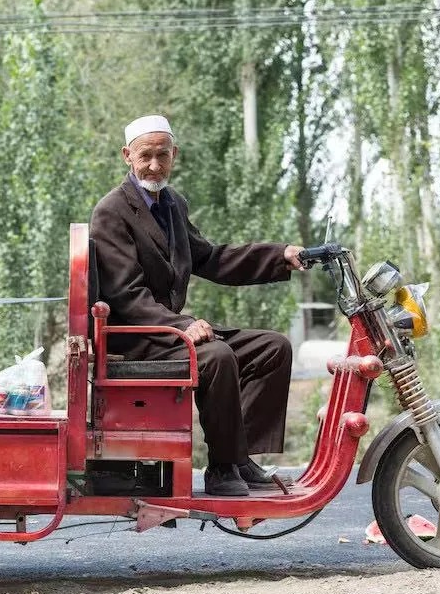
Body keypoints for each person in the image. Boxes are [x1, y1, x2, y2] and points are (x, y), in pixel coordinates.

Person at [89, 114, 305, 497]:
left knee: (273, 348)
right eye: (145, 156)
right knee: (216, 356)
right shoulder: (111, 211)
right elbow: (126, 294)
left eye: (162, 155)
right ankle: (221, 470)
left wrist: (280, 255)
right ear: (127, 156)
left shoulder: (173, 203)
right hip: (138, 336)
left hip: (168, 331)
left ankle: (239, 458)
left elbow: (211, 259)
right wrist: (183, 324)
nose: (155, 165)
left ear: (175, 154)